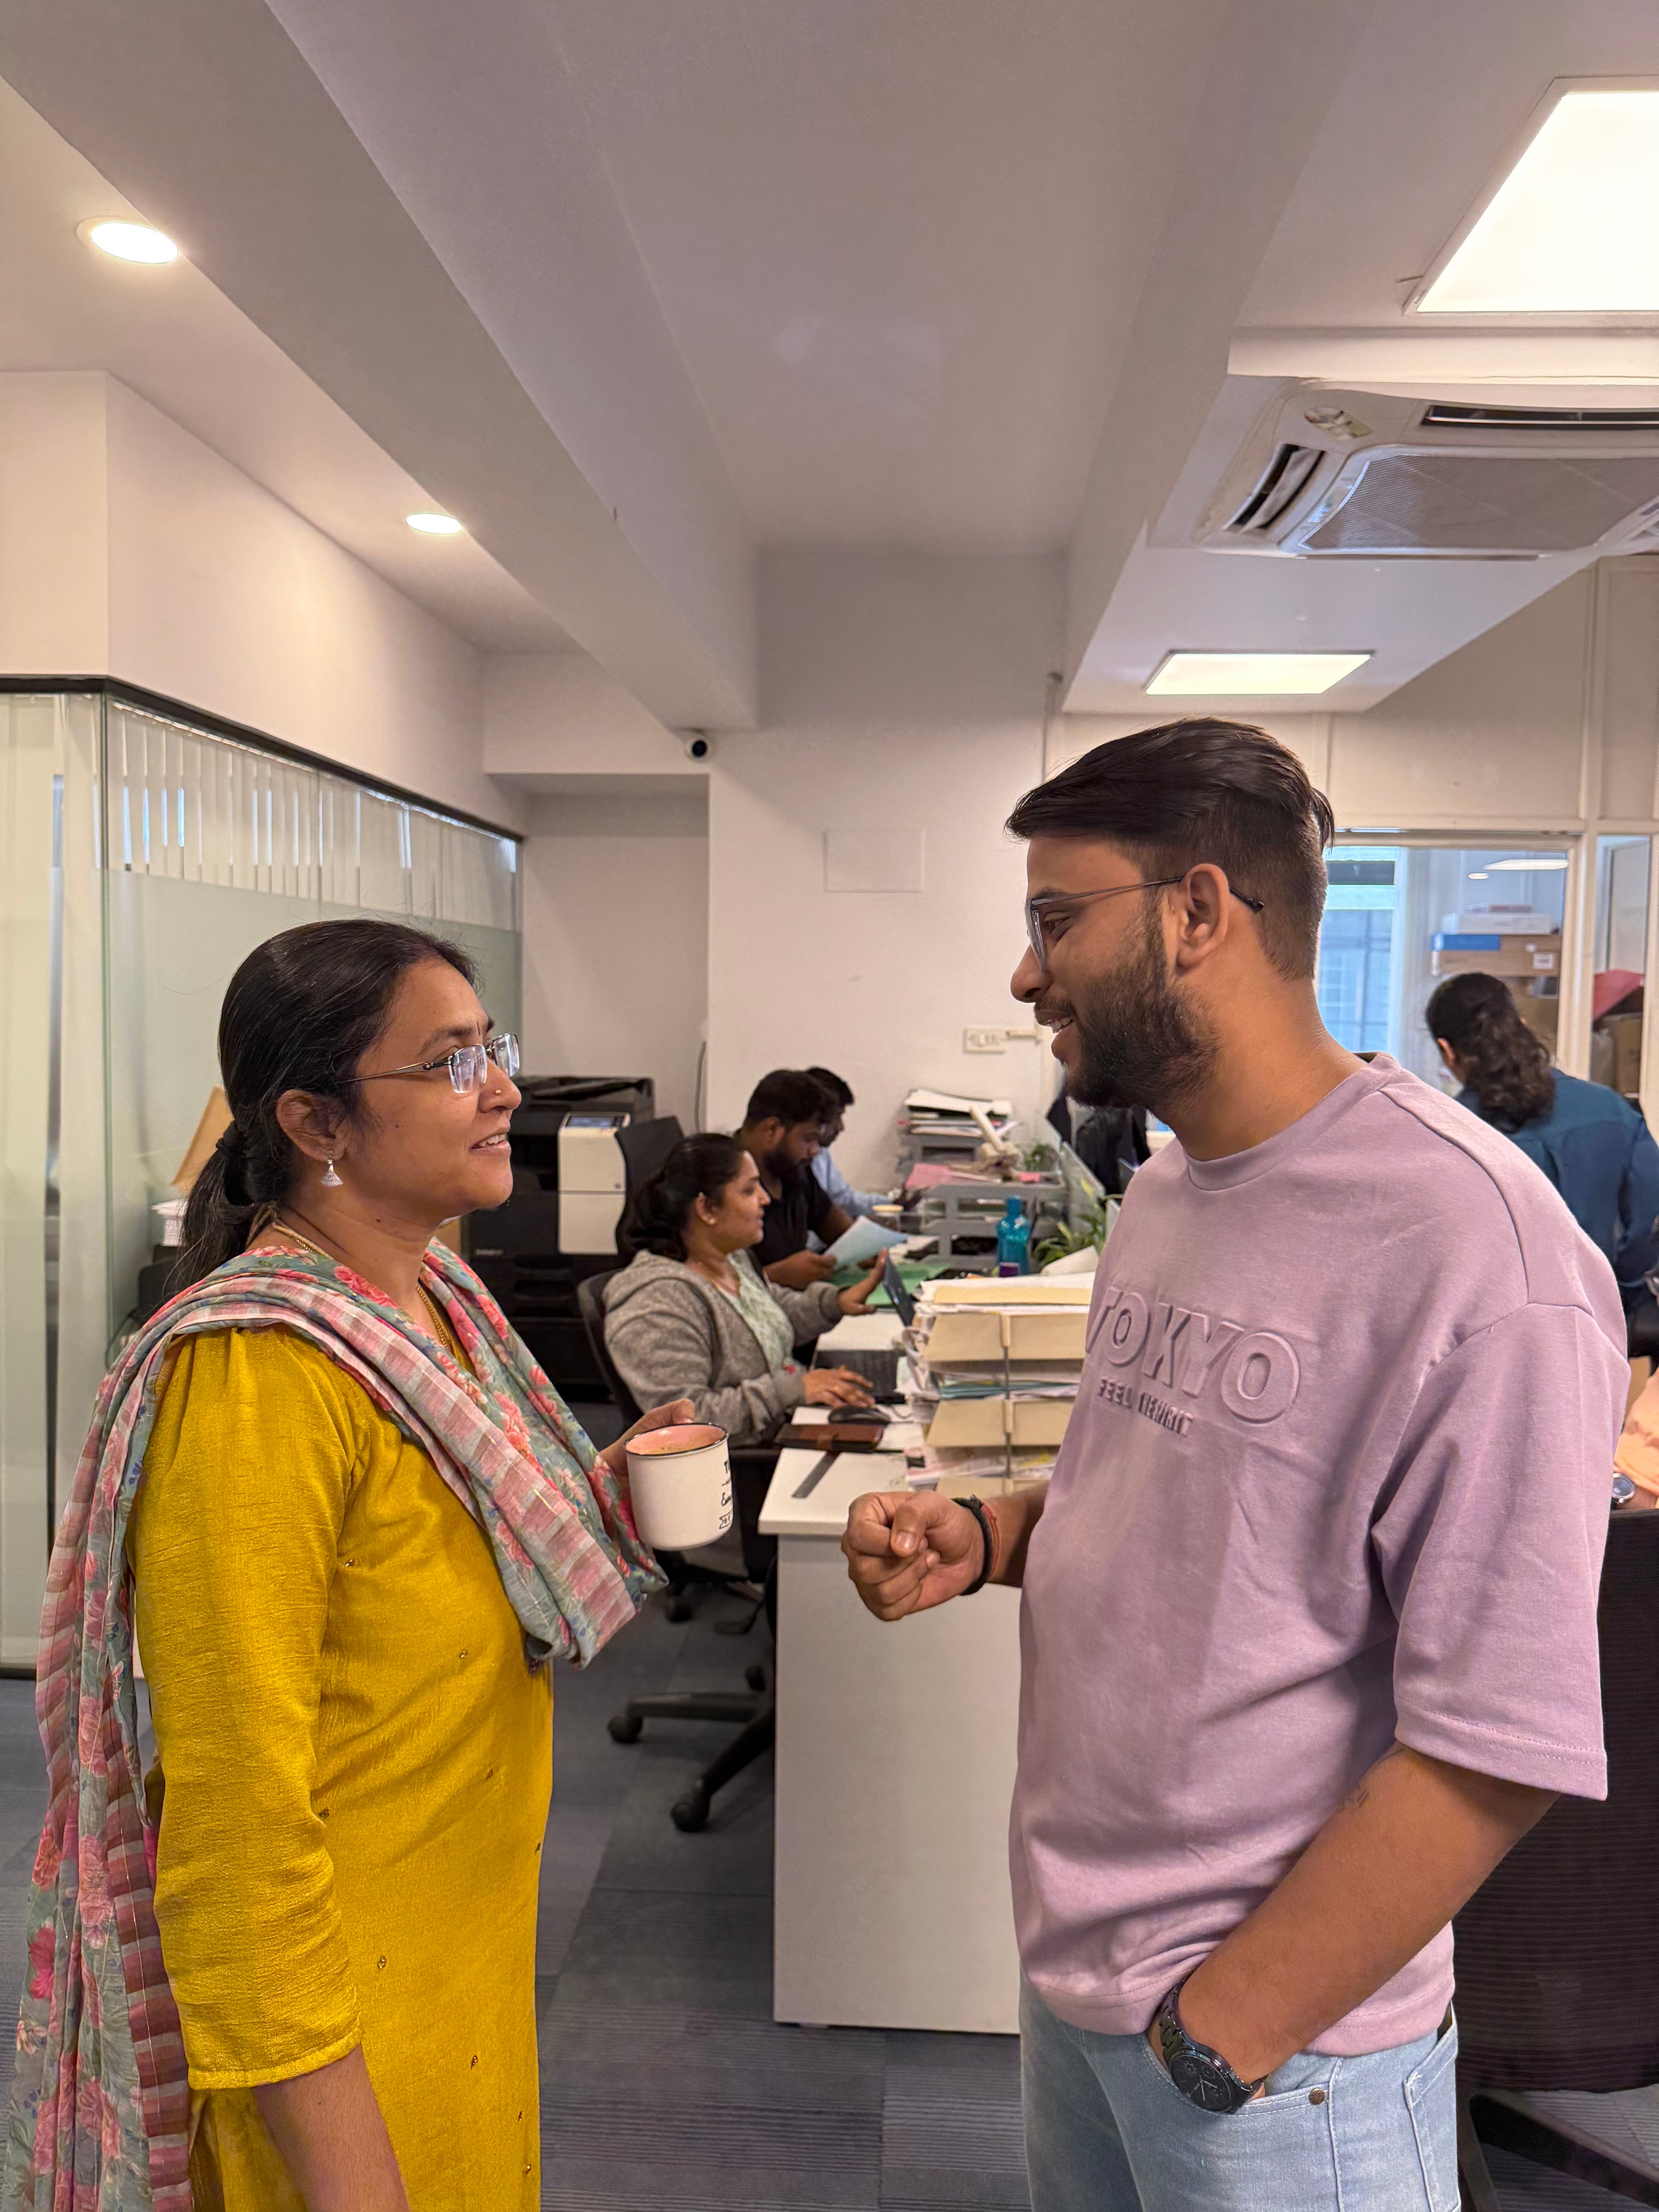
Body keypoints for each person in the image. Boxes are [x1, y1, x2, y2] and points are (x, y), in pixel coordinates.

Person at [840, 718, 1625, 2212]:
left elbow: (1501, 1738)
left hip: (1277, 2061)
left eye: (1054, 921)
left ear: (1200, 911)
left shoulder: (1475, 1247)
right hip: (1083, 1985)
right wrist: (996, 1533)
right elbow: (1190, 1498)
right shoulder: (1169, 1187)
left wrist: (1225, 2034)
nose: (1024, 973)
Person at [6, 919, 688, 2211]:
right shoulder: (261, 1376)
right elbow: (237, 1830)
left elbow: (436, 1557)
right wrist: (347, 2175)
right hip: (340, 2040)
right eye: (449, 1063)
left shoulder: (434, 1308)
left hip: (455, 1961)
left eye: (495, 1047)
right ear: (316, 1123)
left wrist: (608, 1489)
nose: (502, 1089)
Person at [604, 1132, 880, 1442]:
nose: (765, 1199)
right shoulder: (655, 1304)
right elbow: (686, 1422)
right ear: (707, 1208)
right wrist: (793, 1389)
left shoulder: (730, 1260)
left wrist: (835, 1303)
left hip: (789, 1424)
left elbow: (773, 1312)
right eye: (749, 1190)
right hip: (749, 1462)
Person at [1427, 967, 1659, 1312]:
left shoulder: (1448, 1133)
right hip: (1599, 1324)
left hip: (1495, 1329)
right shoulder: (1611, 1110)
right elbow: (1649, 1214)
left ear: (1448, 1051)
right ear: (1520, 1026)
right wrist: (1623, 1291)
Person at [736, 1069, 857, 1290]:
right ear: (772, 1130)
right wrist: (772, 1277)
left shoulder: (794, 1171)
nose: (814, 1151)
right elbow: (706, 1284)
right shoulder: (721, 1181)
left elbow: (835, 1227)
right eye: (808, 1139)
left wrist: (866, 1247)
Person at [805, 1067, 890, 1221]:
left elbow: (844, 1200)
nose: (841, 1127)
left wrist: (892, 1204)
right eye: (836, 1116)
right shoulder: (790, 1163)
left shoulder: (821, 1154)